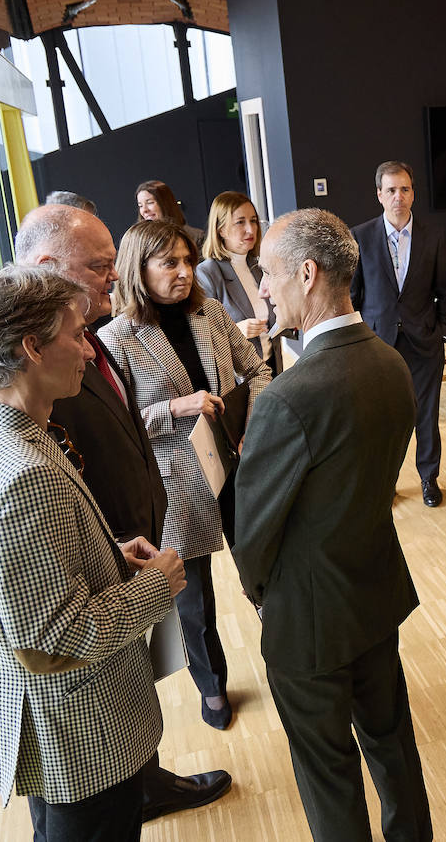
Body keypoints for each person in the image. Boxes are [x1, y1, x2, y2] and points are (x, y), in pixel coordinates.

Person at [0, 204, 233, 821]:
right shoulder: (21, 469)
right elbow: (56, 637)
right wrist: (157, 585)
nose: (87, 346)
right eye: (74, 336)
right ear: (30, 347)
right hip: (75, 729)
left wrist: (108, 547)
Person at [233, 208, 432, 842]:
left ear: (307, 273)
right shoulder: (390, 363)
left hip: (310, 621)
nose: (262, 288)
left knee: (329, 776)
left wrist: (265, 597)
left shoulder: (291, 397)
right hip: (374, 595)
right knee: (393, 747)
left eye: (268, 274)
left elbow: (252, 536)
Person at [100, 218, 271, 730]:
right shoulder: (118, 338)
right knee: (194, 603)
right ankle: (212, 687)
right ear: (138, 268)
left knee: (265, 577)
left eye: (187, 260)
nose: (182, 272)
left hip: (237, 469)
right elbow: (123, 425)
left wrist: (251, 422)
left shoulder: (210, 312)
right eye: (168, 263)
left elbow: (258, 372)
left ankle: (290, 668)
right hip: (176, 487)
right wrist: (176, 407)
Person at [352, 160, 446, 507]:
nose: (399, 196)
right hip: (378, 343)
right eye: (392, 190)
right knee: (383, 417)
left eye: (405, 189)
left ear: (413, 193)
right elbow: (353, 294)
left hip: (424, 340)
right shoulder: (361, 236)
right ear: (379, 195)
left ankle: (429, 479)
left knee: (426, 415)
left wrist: (442, 329)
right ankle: (387, 481)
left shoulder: (434, 235)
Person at [197, 190, 281, 372]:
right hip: (240, 377)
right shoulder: (208, 273)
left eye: (253, 220)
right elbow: (201, 337)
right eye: (240, 222)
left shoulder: (259, 265)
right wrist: (236, 331)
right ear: (221, 230)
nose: (251, 229)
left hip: (273, 365)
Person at [136, 178, 204, 247]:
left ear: (165, 203)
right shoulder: (138, 240)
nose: (144, 210)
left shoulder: (196, 237)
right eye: (140, 205)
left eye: (150, 203)